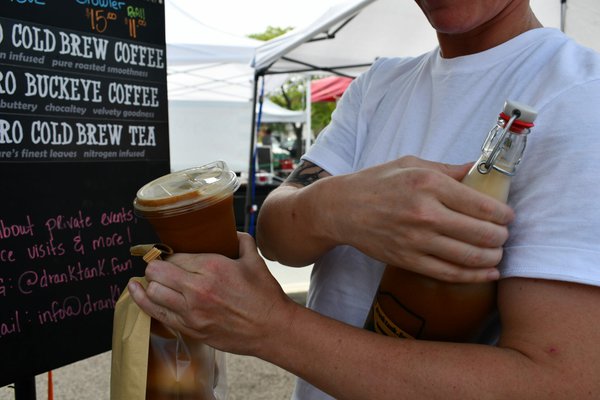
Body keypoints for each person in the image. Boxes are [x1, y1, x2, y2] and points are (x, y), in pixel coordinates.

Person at [128, 0, 600, 398]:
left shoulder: (579, 96)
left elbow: (559, 383)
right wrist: (334, 209)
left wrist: (270, 327)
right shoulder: (381, 84)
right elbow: (274, 233)